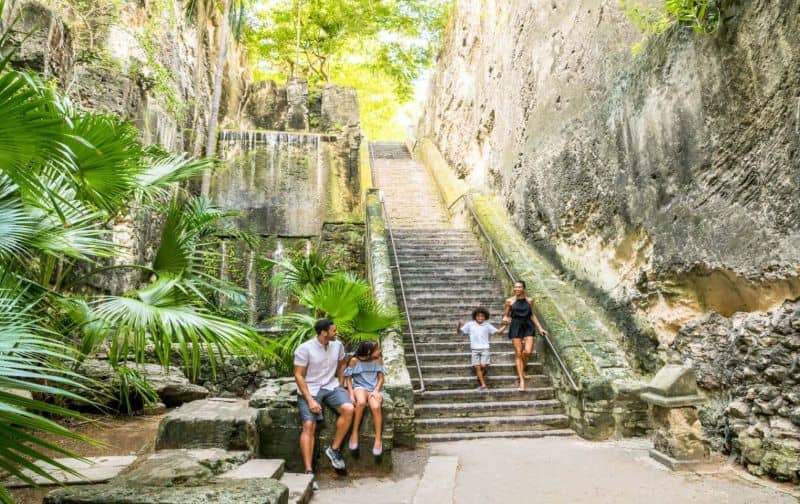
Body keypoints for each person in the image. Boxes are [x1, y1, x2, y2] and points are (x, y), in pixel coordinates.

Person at [294, 318, 354, 483]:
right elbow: (298, 375)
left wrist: (341, 384)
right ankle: (308, 472)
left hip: (331, 386)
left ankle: (334, 449)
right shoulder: (304, 349)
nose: (337, 333)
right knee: (309, 425)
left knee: (349, 409)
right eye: (334, 330)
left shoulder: (338, 345)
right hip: (310, 388)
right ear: (323, 333)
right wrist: (310, 401)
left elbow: (343, 364)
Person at [502, 280, 548, 391]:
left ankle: (521, 370)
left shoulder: (530, 300)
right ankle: (521, 380)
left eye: (519, 287)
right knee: (518, 353)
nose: (516, 289)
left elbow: (532, 315)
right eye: (515, 287)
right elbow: (506, 315)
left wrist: (540, 328)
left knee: (527, 352)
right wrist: (505, 319)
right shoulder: (509, 301)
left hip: (528, 326)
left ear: (524, 288)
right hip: (516, 326)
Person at [344, 340, 386, 456]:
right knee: (361, 402)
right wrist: (351, 394)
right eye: (377, 349)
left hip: (374, 388)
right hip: (359, 387)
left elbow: (381, 379)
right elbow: (348, 378)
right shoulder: (354, 361)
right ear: (368, 352)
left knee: (376, 406)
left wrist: (376, 390)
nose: (380, 351)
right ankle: (354, 433)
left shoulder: (378, 360)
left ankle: (378, 439)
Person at [458, 307, 506, 390]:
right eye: (478, 316)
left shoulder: (487, 325)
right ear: (475, 316)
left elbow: (499, 332)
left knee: (483, 365)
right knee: (477, 368)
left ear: (485, 317)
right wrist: (459, 324)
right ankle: (483, 385)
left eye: (482, 316)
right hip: (474, 349)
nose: (480, 318)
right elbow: (459, 332)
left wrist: (506, 325)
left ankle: (480, 375)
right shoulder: (470, 324)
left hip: (485, 348)